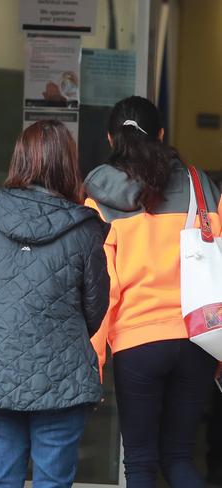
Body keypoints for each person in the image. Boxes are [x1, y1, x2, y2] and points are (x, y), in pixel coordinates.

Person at [0, 119, 110, 487]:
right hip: (63, 379)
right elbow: (95, 306)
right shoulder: (86, 228)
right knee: (53, 482)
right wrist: (62, 331)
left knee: (1, 480)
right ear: (67, 164)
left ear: (20, 159)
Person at [85, 95, 222, 487]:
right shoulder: (202, 187)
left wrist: (94, 359)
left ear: (111, 140)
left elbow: (102, 288)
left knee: (141, 463)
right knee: (179, 456)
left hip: (137, 343)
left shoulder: (100, 200)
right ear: (161, 135)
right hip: (198, 337)